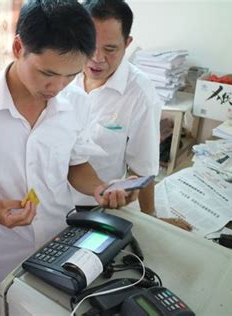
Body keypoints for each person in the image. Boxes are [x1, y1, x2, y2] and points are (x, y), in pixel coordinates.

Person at [0, 1, 139, 314]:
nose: (57, 87)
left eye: (70, 75)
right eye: (47, 73)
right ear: (19, 47)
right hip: (0, 258)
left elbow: (76, 164)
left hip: (59, 250)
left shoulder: (75, 101)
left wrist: (99, 188)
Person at [71, 0, 191, 230]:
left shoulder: (139, 93)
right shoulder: (64, 73)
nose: (97, 58)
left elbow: (143, 167)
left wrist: (151, 217)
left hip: (96, 203)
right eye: (89, 45)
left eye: (110, 49)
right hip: (49, 198)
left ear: (127, 44)